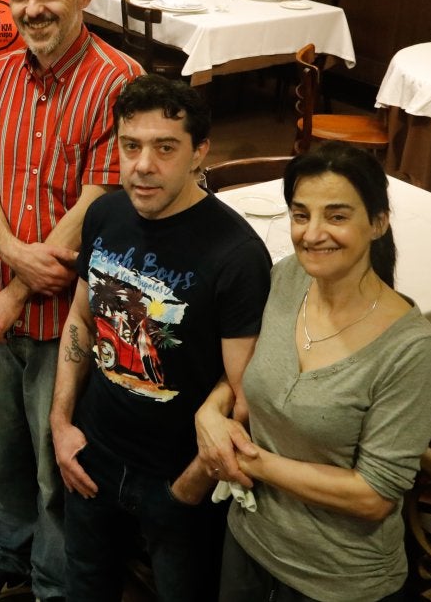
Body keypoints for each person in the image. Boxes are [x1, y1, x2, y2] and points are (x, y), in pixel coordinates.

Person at [0, 0, 143, 602]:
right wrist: (4, 257)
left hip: (68, 320)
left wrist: (17, 291)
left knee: (54, 465)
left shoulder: (120, 82)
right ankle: (6, 557)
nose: (33, 8)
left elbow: (97, 203)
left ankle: (53, 587)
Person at [50, 74, 272, 602]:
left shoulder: (237, 254)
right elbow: (81, 319)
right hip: (92, 451)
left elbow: (245, 391)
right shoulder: (104, 213)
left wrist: (189, 487)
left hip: (176, 476)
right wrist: (61, 423)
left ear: (200, 153)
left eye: (165, 148)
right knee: (85, 586)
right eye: (131, 146)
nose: (143, 165)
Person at [198, 143, 431, 602]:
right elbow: (251, 369)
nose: (312, 234)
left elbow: (372, 496)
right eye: (300, 215)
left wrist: (248, 459)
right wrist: (212, 412)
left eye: (336, 217)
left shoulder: (413, 354)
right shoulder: (288, 278)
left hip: (335, 579)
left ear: (378, 223)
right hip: (249, 540)